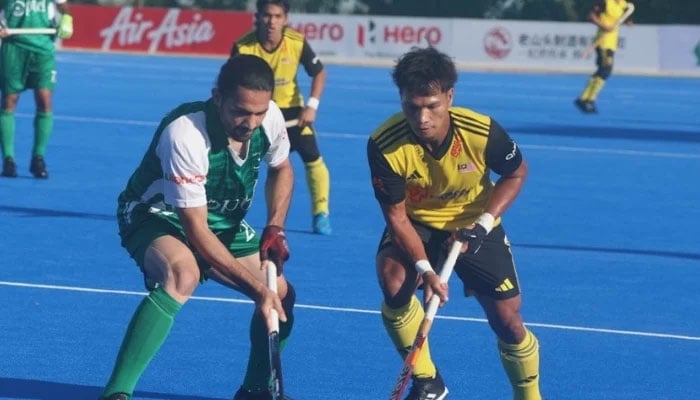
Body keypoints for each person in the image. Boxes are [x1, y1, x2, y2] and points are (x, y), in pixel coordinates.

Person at [100, 55, 296, 400]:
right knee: (183, 273)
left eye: (259, 112)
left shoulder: (271, 119)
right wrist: (256, 289)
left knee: (281, 295)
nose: (250, 122)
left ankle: (254, 390)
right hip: (158, 215)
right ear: (217, 97)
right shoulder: (186, 133)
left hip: (221, 221)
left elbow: (282, 169)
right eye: (240, 111)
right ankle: (117, 392)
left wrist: (275, 226)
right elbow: (197, 233)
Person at [367, 47, 542, 400]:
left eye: (432, 105)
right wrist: (425, 270)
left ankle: (529, 396)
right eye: (412, 107)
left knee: (508, 321)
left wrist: (484, 223)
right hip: (419, 223)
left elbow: (516, 172)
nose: (422, 118)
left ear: (449, 96)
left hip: (475, 221)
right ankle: (428, 381)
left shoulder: (480, 131)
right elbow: (396, 217)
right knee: (393, 279)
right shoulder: (384, 145)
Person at [231, 0, 332, 235]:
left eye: (277, 16)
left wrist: (312, 106)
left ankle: (321, 214)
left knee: (314, 159)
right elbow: (231, 84)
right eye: (267, 15)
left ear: (285, 19)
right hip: (256, 114)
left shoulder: (296, 42)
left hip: (293, 114)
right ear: (258, 16)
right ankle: (230, 212)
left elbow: (319, 73)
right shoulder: (243, 46)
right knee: (238, 163)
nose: (272, 22)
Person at [0, 0, 73, 178]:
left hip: (43, 48)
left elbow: (62, 5)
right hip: (13, 47)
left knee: (44, 100)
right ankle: (8, 159)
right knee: (9, 100)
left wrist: (67, 18)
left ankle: (38, 158)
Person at [575, 0, 633, 114]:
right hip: (603, 42)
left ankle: (585, 99)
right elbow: (591, 16)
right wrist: (604, 26)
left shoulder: (622, 4)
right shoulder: (605, 3)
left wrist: (626, 21)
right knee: (605, 70)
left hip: (612, 43)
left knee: (602, 70)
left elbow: (622, 15)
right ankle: (588, 99)